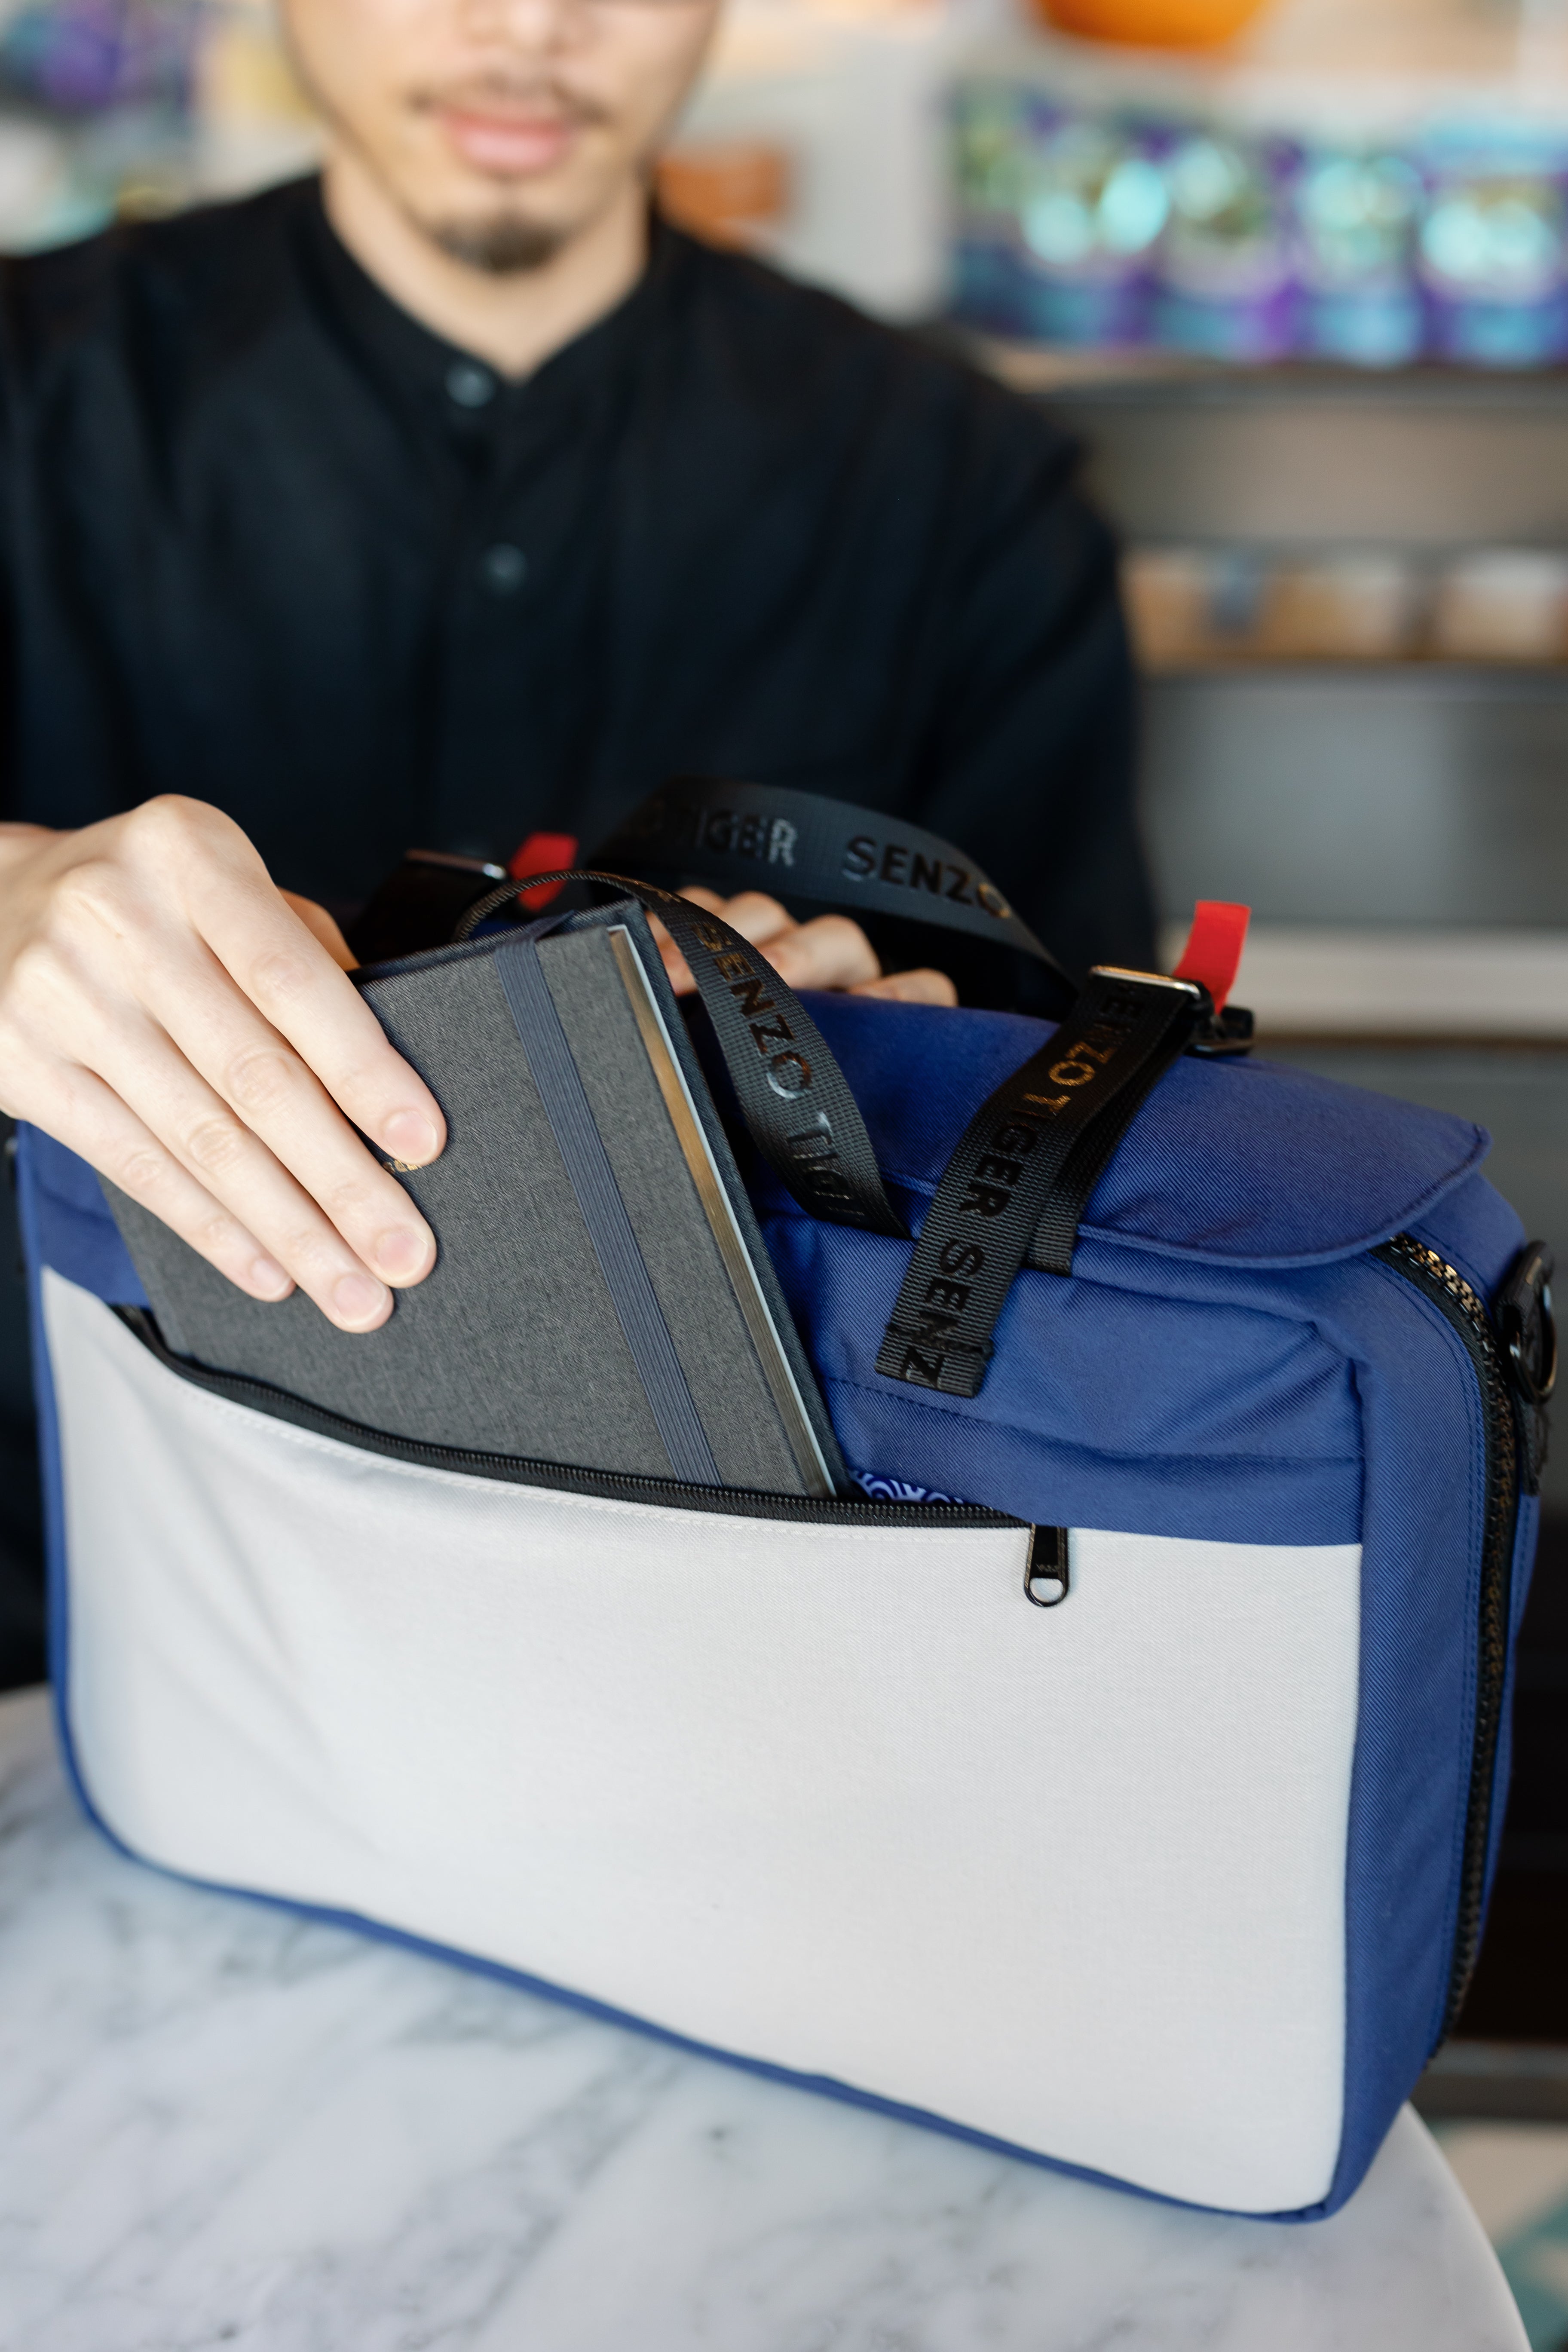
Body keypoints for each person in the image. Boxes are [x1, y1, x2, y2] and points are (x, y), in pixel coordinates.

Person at [0, 0, 1152, 1678]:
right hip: (80, 1592)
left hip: (735, 1651)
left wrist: (907, 1086)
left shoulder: (965, 491)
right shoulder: (29, 393)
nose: (530, 24)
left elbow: (1089, 1139)